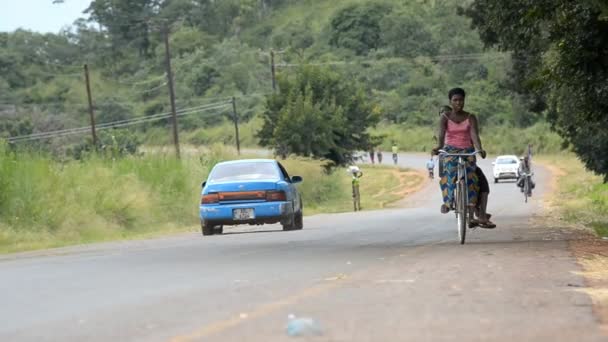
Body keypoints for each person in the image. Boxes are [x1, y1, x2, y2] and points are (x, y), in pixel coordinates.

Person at [432, 88, 495, 228]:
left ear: (464, 101)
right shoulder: (445, 117)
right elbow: (441, 137)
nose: (458, 103)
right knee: (449, 172)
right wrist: (438, 148)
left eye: (461, 100)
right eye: (455, 100)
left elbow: (474, 135)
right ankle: (448, 202)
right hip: (450, 150)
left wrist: (479, 149)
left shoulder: (471, 117)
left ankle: (472, 210)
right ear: (450, 101)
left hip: (467, 150)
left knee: (471, 177)